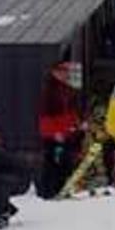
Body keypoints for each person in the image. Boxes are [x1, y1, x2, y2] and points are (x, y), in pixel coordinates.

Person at [36, 62, 83, 199]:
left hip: (66, 130)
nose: (66, 73)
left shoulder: (66, 88)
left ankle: (61, 188)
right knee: (52, 162)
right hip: (54, 133)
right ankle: (49, 191)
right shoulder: (50, 90)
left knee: (65, 161)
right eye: (62, 71)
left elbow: (71, 110)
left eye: (66, 71)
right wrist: (54, 132)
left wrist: (77, 124)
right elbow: (45, 115)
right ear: (54, 72)